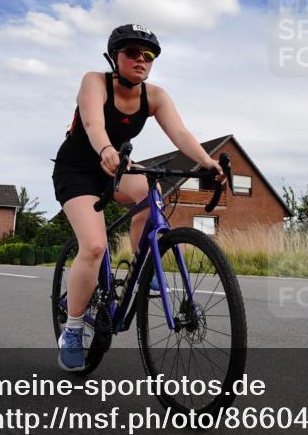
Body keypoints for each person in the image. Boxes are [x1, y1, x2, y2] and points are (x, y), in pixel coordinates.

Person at [51, 24, 225, 371]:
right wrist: (104, 148)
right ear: (114, 57)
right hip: (79, 170)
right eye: (132, 52)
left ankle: (138, 268)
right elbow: (92, 123)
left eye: (149, 56)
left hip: (116, 166)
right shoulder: (95, 81)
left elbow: (180, 133)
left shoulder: (155, 96)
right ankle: (72, 330)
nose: (141, 60)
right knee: (95, 246)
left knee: (152, 192)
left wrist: (207, 162)